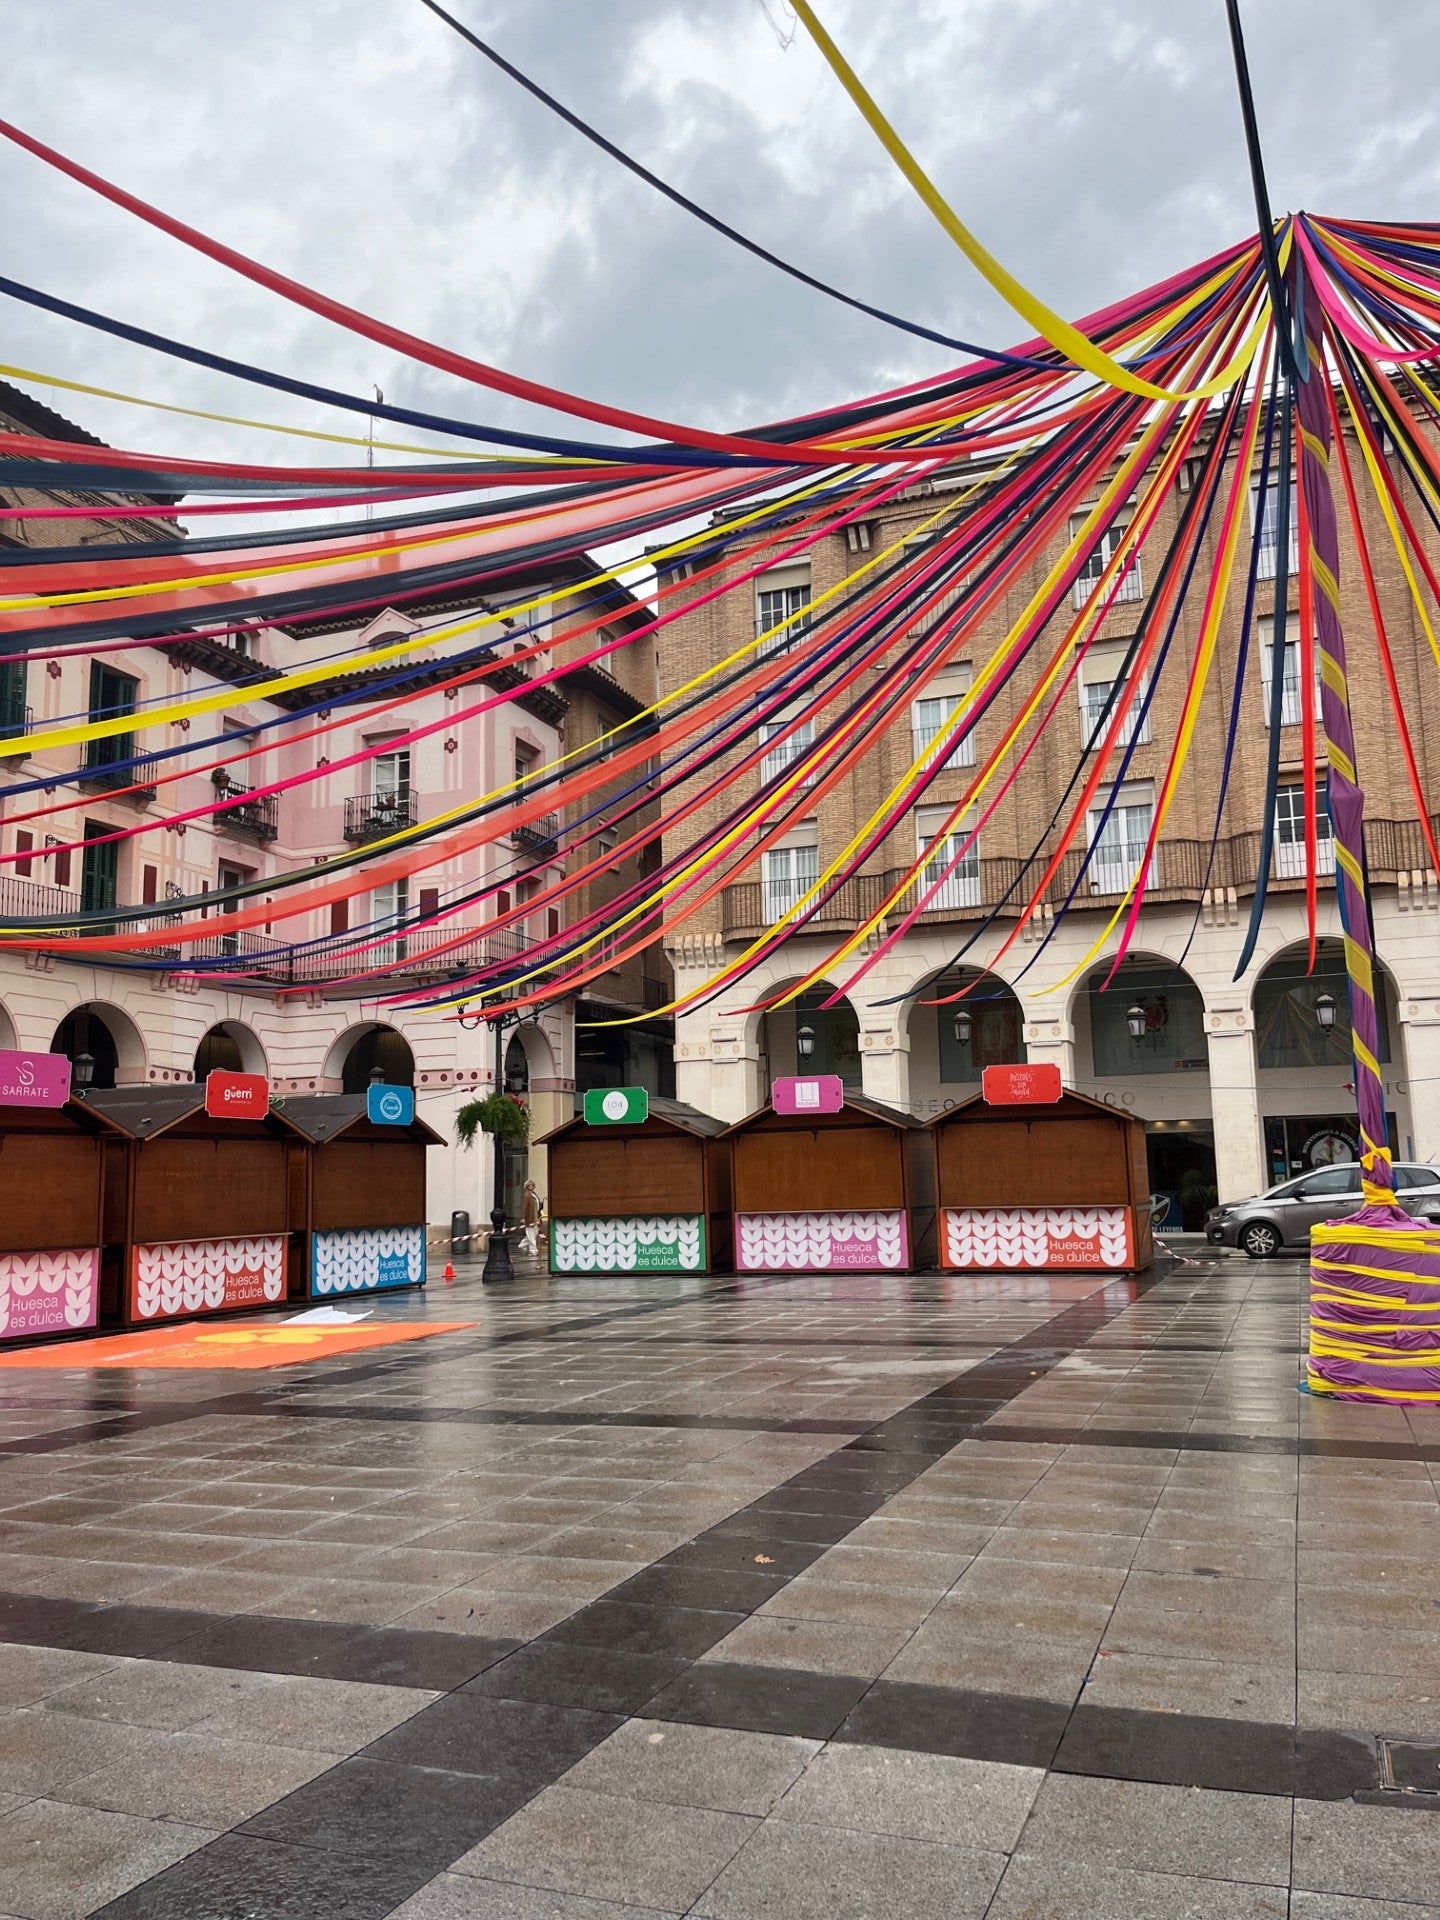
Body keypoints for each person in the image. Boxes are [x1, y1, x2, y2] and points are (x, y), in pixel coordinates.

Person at [521, 1179, 543, 1257]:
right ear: (526, 1186)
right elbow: (524, 1207)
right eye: (529, 1185)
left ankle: (522, 1245)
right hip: (530, 1217)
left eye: (532, 1185)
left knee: (533, 1234)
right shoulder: (527, 1195)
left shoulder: (534, 1194)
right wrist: (523, 1218)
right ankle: (533, 1251)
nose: (531, 1186)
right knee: (531, 1235)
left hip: (535, 1217)